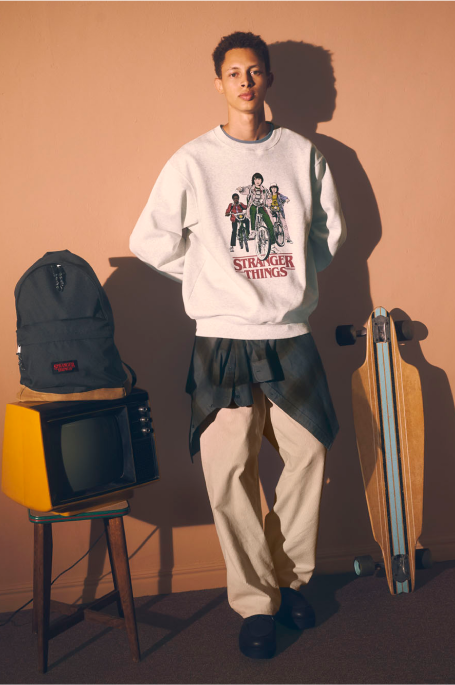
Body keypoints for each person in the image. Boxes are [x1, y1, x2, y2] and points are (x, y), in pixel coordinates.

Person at [129, 31, 346, 660]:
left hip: (288, 332)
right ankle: (256, 603)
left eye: (254, 71)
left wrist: (286, 280)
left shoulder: (302, 154)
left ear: (268, 79)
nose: (244, 82)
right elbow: (149, 239)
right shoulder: (194, 160)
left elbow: (329, 234)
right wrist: (210, 276)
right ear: (219, 82)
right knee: (228, 472)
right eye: (233, 72)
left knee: (308, 453)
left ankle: (288, 578)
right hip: (222, 337)